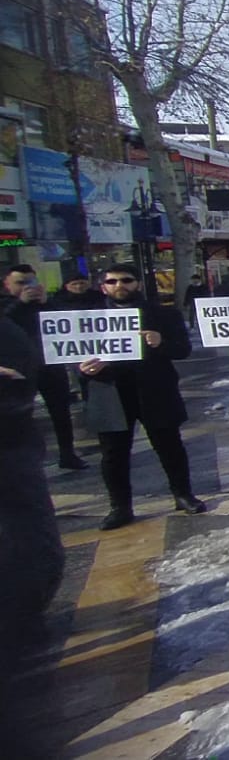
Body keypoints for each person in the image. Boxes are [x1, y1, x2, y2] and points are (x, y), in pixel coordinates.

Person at [79, 263, 206, 529]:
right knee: (113, 453)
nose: (119, 286)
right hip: (110, 391)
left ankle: (182, 494)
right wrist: (82, 367)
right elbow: (68, 352)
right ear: (103, 286)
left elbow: (182, 349)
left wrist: (161, 344)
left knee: (169, 445)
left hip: (154, 389)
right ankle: (120, 506)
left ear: (137, 283)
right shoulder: (87, 318)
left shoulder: (163, 315)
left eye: (126, 280)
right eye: (112, 281)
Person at [0, 315, 65, 759]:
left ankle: (27, 615)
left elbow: (19, 387)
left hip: (10, 452)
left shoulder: (7, 332)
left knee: (31, 547)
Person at [4, 273, 88, 470]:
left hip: (50, 364)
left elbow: (67, 321)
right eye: (21, 283)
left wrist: (46, 302)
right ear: (7, 285)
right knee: (19, 412)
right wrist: (20, 303)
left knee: (61, 411)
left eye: (32, 282)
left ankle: (67, 454)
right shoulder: (7, 305)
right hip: (18, 369)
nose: (28, 287)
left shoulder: (48, 303)